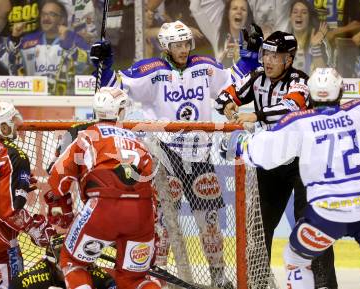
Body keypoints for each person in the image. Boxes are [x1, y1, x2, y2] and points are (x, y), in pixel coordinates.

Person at [90, 19, 262, 288]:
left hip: (201, 158)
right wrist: (105, 65)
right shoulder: (150, 70)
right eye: (177, 45)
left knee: (211, 223)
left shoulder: (205, 66)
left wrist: (250, 59)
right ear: (165, 46)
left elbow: (233, 82)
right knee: (163, 224)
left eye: (186, 43)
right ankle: (160, 276)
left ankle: (218, 276)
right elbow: (114, 90)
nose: (183, 49)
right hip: (164, 158)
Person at [221, 61, 360, 289]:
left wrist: (239, 144)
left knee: (295, 260)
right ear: (341, 92)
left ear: (311, 95)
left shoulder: (300, 123)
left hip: (327, 214)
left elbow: (263, 152)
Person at [215, 31, 337, 289]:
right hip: (271, 162)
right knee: (258, 228)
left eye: (276, 56)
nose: (268, 60)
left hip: (303, 164)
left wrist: (254, 115)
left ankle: (325, 285)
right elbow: (223, 96)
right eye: (266, 54)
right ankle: (257, 283)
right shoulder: (257, 77)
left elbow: (289, 109)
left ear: (289, 60)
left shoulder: (300, 81)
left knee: (311, 227)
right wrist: (227, 105)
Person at [47, 86, 161, 289]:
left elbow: (57, 179)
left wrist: (65, 206)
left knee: (73, 263)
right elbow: (152, 192)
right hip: (141, 215)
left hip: (103, 209)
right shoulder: (139, 142)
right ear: (120, 111)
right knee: (135, 279)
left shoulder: (86, 136)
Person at [0, 100, 56, 289]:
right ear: (1, 125)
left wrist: (14, 186)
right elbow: (9, 211)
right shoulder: (12, 155)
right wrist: (37, 227)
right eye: (11, 121)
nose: (15, 125)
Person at [0, 0, 91, 95]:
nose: (46, 18)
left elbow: (89, 65)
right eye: (43, 14)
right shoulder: (27, 41)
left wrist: (70, 46)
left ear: (62, 19)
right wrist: (14, 39)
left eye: (52, 14)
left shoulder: (74, 38)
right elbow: (7, 64)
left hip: (66, 101)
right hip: (34, 100)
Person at [9, 234, 117, 289]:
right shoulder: (36, 277)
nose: (71, 268)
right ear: (52, 264)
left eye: (76, 264)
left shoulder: (95, 274)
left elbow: (112, 284)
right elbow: (16, 284)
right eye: (67, 265)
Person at [190, 0, 254, 67]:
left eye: (243, 9)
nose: (239, 12)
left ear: (247, 16)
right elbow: (194, 8)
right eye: (234, 8)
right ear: (228, 13)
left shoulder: (254, 42)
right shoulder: (217, 35)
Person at [288, 0, 329, 74]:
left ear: (309, 18)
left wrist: (315, 47)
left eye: (304, 12)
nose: (299, 15)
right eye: (295, 12)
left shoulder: (320, 42)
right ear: (290, 17)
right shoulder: (284, 43)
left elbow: (324, 75)